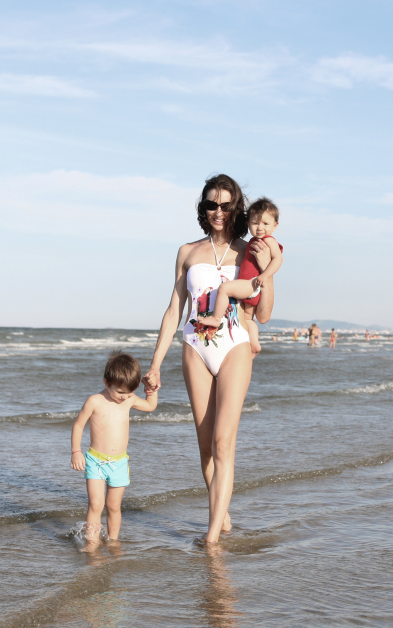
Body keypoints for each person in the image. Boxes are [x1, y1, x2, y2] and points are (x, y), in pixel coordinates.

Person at [142, 174, 274, 544]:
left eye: (226, 205)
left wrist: (267, 272)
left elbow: (262, 315)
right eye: (211, 205)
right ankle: (222, 512)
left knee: (223, 442)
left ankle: (212, 536)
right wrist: (154, 364)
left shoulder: (251, 249)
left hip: (235, 344)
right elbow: (173, 311)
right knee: (204, 445)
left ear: (236, 207)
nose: (218, 211)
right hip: (195, 347)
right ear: (204, 208)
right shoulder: (187, 251)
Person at [70, 352, 159, 544]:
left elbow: (151, 406)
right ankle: (92, 545)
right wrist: (76, 451)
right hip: (95, 461)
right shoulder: (94, 401)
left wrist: (150, 389)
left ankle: (113, 541)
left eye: (129, 392)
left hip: (119, 462)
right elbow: (78, 425)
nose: (124, 397)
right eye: (120, 392)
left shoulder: (129, 399)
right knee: (95, 504)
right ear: (106, 382)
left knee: (113, 506)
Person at [194, 198, 284, 355]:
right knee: (248, 319)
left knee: (225, 288)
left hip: (251, 284)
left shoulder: (269, 241)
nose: (260, 227)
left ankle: (216, 318)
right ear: (248, 223)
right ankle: (254, 344)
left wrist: (265, 275)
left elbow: (278, 259)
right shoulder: (253, 241)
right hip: (251, 287)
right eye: (255, 223)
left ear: (275, 225)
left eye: (265, 223)